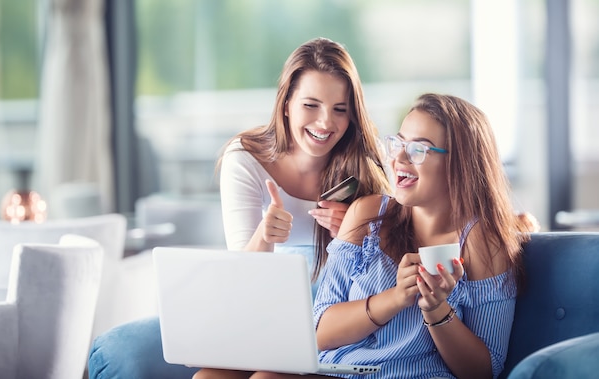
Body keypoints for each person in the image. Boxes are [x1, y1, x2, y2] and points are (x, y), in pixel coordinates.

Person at [88, 37, 390, 379]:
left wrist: (345, 238)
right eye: (311, 105)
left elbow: (382, 272)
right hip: (255, 309)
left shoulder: (366, 164)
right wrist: (265, 235)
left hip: (330, 315)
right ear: (286, 103)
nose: (325, 123)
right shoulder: (245, 158)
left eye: (340, 109)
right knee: (125, 353)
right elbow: (241, 283)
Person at [195, 93, 531, 379]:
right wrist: (397, 298)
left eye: (418, 150)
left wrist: (436, 310)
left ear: (461, 164)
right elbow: (317, 330)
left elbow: (486, 370)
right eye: (398, 143)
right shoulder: (368, 214)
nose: (398, 158)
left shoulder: (480, 242)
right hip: (335, 370)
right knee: (209, 375)